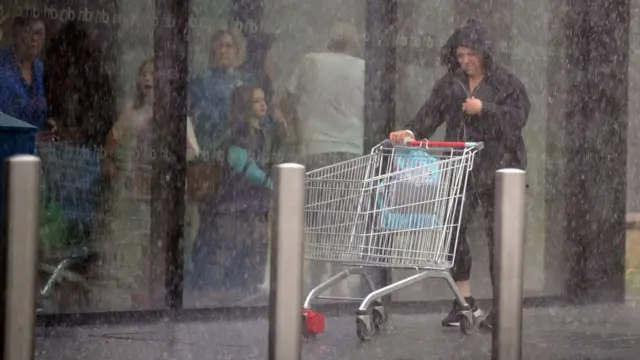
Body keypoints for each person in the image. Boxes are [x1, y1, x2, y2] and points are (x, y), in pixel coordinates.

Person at [389, 18, 531, 329]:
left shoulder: (507, 83)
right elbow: (430, 114)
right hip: (462, 168)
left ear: (484, 53)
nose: (465, 61)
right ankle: (464, 303)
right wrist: (410, 132)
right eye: (460, 55)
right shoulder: (449, 84)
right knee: (453, 231)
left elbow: (519, 117)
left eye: (471, 54)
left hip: (501, 169)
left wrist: (486, 109)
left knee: (500, 240)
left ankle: (504, 310)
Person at [188, 84, 285, 304]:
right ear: (245, 106)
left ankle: (237, 289)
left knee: (248, 248)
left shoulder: (260, 133)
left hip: (250, 205)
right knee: (226, 248)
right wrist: (269, 182)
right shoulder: (241, 133)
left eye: (263, 100)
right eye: (257, 101)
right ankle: (214, 290)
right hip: (234, 205)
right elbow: (240, 162)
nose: (263, 104)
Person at [0, 16, 53, 131]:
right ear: (15, 35)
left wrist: (46, 124)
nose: (34, 38)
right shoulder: (2, 65)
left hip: (30, 144)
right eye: (28, 31)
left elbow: (39, 112)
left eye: (39, 33)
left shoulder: (39, 69)